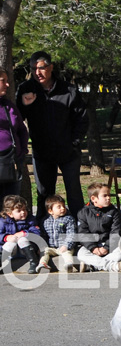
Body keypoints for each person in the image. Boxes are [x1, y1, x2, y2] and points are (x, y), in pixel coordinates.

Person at [15, 51, 88, 219]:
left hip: (68, 152)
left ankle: (81, 229)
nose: (37, 73)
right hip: (42, 152)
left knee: (74, 192)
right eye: (33, 69)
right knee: (44, 194)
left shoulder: (68, 90)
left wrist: (75, 142)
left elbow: (82, 119)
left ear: (51, 67)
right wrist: (25, 105)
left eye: (41, 68)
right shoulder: (26, 88)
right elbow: (17, 119)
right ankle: (44, 229)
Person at [76, 182, 121, 272]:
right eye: (105, 196)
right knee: (81, 254)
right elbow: (83, 233)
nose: (108, 198)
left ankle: (94, 266)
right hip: (92, 247)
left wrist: (106, 247)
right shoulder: (83, 212)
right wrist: (93, 248)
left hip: (109, 246)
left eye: (109, 195)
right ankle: (112, 266)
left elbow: (116, 232)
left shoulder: (113, 212)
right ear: (94, 199)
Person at [0, 69, 29, 200]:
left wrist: (21, 152)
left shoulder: (8, 105)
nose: (7, 85)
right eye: (3, 81)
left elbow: (22, 130)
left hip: (12, 163)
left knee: (12, 205)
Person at [1, 194, 41, 273]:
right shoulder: (3, 222)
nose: (23, 212)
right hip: (12, 251)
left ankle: (33, 262)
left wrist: (24, 233)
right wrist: (6, 237)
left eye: (24, 209)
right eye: (19, 211)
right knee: (9, 243)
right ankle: (4, 265)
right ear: (10, 214)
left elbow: (37, 232)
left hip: (26, 250)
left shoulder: (30, 220)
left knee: (22, 239)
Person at [39, 194, 76, 272]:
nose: (62, 208)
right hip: (51, 247)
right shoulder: (45, 221)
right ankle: (43, 264)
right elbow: (43, 235)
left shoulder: (68, 219)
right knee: (44, 251)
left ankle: (69, 264)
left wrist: (66, 245)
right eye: (59, 207)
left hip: (64, 246)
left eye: (63, 206)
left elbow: (71, 234)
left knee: (67, 253)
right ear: (50, 211)